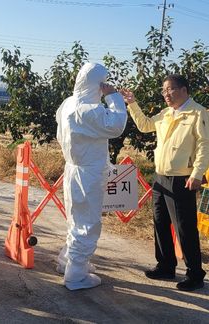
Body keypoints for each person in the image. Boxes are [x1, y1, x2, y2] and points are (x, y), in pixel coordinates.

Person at [120, 74, 209, 292]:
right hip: (161, 176)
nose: (166, 94)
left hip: (182, 178)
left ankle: (195, 274)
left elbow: (205, 146)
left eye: (170, 90)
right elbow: (144, 126)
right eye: (164, 91)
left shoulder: (198, 113)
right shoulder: (166, 114)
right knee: (160, 221)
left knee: (184, 227)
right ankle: (165, 265)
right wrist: (132, 103)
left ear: (184, 90)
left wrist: (198, 173)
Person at [55, 62, 127, 290]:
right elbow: (116, 125)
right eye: (103, 83)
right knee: (87, 222)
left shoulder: (68, 104)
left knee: (76, 218)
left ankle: (69, 260)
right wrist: (113, 97)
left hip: (74, 168)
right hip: (88, 172)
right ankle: (75, 274)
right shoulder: (88, 110)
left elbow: (59, 134)